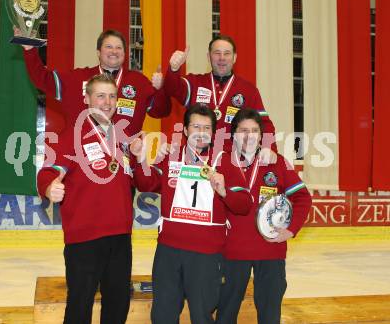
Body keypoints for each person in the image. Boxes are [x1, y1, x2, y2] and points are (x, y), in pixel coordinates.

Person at [130, 103, 254, 324]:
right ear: (186, 130)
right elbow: (147, 183)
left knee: (202, 315)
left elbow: (244, 205)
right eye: (196, 127)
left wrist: (224, 191)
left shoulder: (226, 161)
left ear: (213, 133)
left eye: (207, 128)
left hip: (205, 254)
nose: (201, 133)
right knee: (162, 315)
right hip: (169, 251)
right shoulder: (172, 155)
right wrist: (141, 159)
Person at [37, 74, 135, 324]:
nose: (107, 102)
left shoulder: (121, 137)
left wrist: (143, 158)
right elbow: (48, 172)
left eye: (112, 96)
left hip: (120, 238)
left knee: (118, 303)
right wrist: (49, 188)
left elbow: (136, 180)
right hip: (85, 240)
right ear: (86, 99)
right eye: (100, 95)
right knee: (80, 306)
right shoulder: (73, 134)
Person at [215, 108, 312, 324]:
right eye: (243, 131)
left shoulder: (278, 162)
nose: (249, 136)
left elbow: (303, 198)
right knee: (225, 313)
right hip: (232, 251)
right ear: (233, 135)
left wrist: (291, 229)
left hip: (270, 250)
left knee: (269, 316)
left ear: (261, 135)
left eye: (254, 130)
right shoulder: (221, 163)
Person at [18, 28, 171, 138]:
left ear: (125, 53)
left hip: (126, 163)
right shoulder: (77, 78)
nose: (114, 51)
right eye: (108, 47)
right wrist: (30, 50)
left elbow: (161, 112)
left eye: (119, 48)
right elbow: (41, 78)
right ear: (98, 52)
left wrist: (160, 90)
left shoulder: (139, 82)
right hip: (83, 161)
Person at [163, 34, 277, 160]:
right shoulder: (195, 83)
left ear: (234, 58)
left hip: (233, 162)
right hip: (196, 160)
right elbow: (171, 88)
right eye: (217, 53)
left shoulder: (248, 90)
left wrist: (268, 147)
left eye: (227, 53)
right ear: (208, 57)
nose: (222, 58)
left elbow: (264, 124)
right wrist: (174, 69)